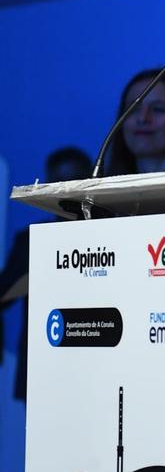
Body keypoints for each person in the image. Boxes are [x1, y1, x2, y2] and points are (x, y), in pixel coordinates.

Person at [0, 146, 92, 402]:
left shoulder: (112, 233)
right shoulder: (31, 240)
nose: (65, 189)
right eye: (58, 181)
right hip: (40, 367)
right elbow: (3, 295)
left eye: (74, 180)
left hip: (93, 361)